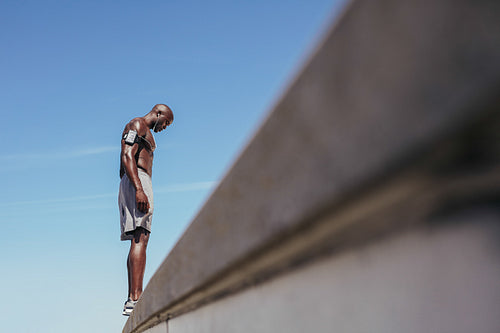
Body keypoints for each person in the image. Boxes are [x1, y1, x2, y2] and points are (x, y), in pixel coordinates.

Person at [118, 104, 174, 316]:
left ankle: (133, 297)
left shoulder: (146, 131)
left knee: (140, 237)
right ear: (158, 113)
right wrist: (138, 189)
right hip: (136, 181)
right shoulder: (137, 124)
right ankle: (135, 298)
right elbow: (126, 156)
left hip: (138, 181)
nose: (165, 127)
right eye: (166, 122)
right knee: (140, 236)